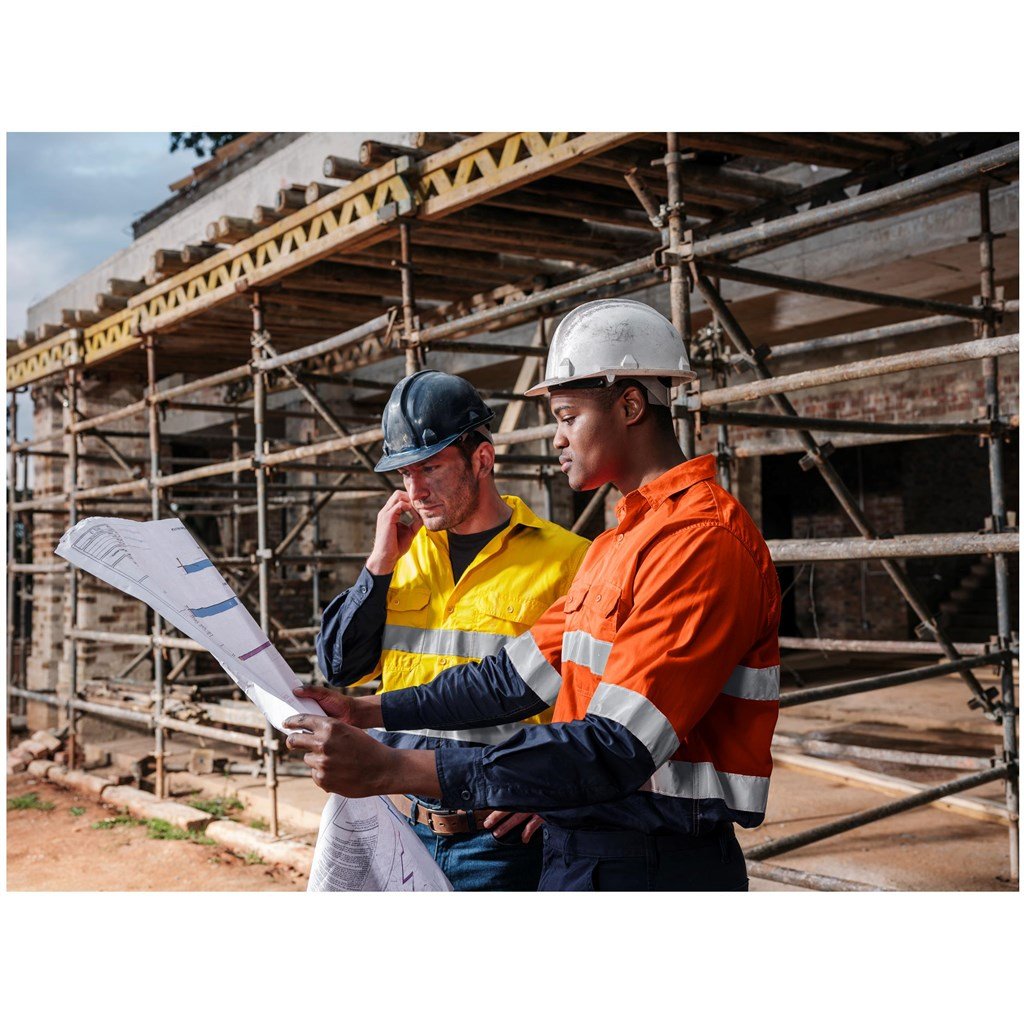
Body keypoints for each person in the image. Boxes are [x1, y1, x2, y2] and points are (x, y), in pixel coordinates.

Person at [292, 299, 781, 891]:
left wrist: (398, 767)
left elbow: (614, 747)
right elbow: (508, 681)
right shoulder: (617, 543)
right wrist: (368, 712)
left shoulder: (699, 542)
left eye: (567, 417)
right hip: (587, 846)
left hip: (654, 861)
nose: (555, 440)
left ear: (630, 405)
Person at [314, 369, 589, 891]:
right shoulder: (400, 554)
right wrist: (377, 565)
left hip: (500, 840)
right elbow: (339, 666)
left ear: (481, 459)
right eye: (404, 475)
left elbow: (600, 709)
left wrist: (559, 797)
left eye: (431, 469)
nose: (415, 491)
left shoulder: (569, 561)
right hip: (399, 822)